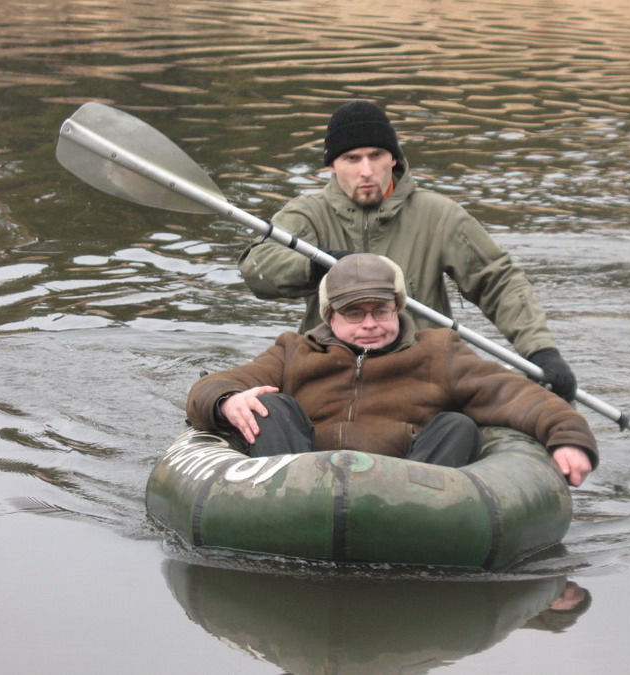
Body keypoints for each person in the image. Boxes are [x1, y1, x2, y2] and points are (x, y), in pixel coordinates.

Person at [238, 100, 579, 401]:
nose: (366, 171)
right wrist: (317, 265)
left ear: (393, 158)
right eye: (352, 158)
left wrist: (540, 350)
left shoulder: (439, 215)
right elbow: (258, 268)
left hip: (422, 374)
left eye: (376, 156)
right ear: (332, 165)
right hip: (329, 374)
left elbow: (498, 282)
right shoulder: (307, 214)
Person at [188, 253, 597, 485]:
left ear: (397, 308)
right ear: (330, 315)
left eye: (380, 311)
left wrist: (568, 437)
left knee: (458, 426)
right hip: (301, 482)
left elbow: (514, 394)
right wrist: (226, 401)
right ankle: (274, 512)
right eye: (354, 313)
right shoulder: (294, 351)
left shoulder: (438, 351)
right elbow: (218, 383)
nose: (369, 324)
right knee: (270, 405)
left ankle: (424, 526)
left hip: (406, 489)